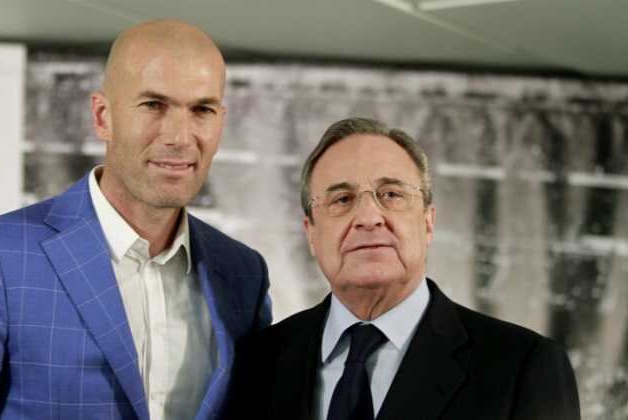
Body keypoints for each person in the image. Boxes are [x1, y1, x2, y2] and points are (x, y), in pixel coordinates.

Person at [0, 19, 271, 420]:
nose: (180, 136)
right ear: (102, 117)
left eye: (202, 109)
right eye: (153, 105)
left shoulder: (242, 274)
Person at [225, 117, 579, 420]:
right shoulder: (259, 362)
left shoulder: (521, 367)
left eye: (391, 194)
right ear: (311, 234)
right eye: (342, 199)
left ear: (427, 222)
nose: (368, 217)